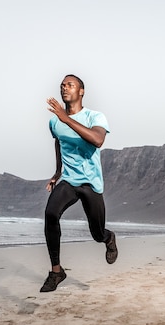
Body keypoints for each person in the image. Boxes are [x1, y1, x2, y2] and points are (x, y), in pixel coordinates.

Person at [40, 74, 118, 292]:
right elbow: (59, 141)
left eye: (70, 85)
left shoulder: (95, 116)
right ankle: (56, 271)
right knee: (50, 213)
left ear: (81, 91)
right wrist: (57, 171)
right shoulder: (54, 121)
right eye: (62, 85)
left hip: (91, 183)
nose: (65, 88)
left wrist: (67, 119)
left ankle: (109, 238)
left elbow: (98, 140)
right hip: (69, 180)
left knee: (97, 233)